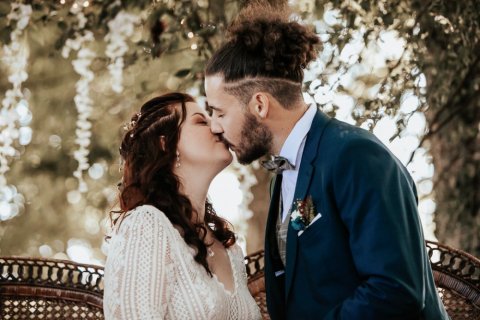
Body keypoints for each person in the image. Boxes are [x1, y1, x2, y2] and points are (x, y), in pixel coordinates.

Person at [204, 3, 449, 320]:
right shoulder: (285, 172)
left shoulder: (357, 157)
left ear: (260, 105)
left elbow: (396, 290)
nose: (215, 126)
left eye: (220, 112)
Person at [103, 92, 261, 320]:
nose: (217, 127)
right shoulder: (146, 225)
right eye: (200, 121)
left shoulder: (231, 251)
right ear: (165, 143)